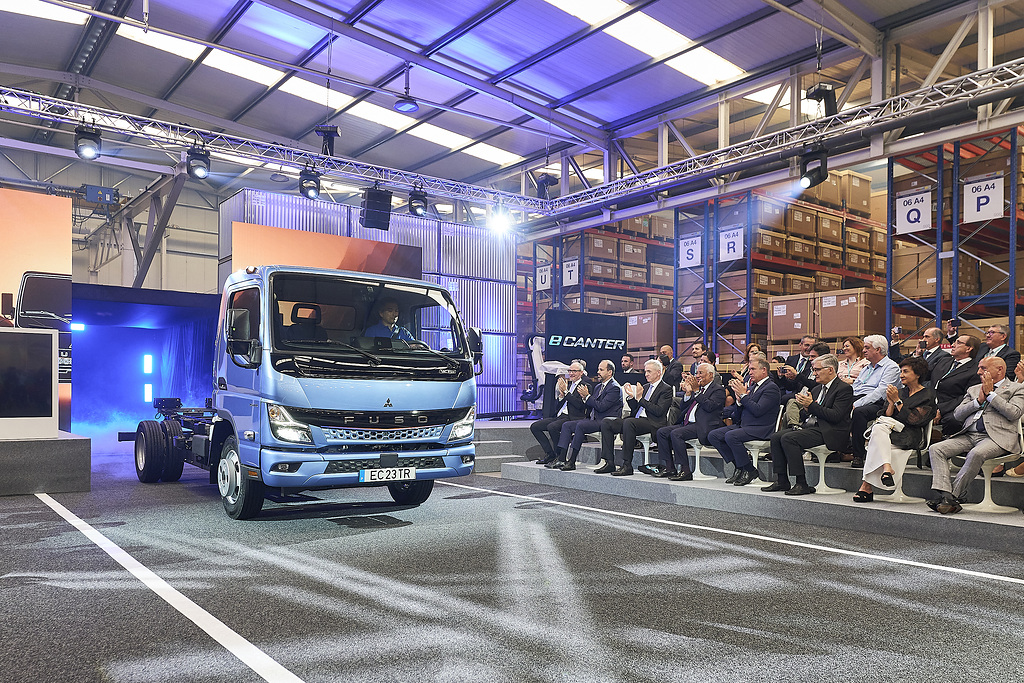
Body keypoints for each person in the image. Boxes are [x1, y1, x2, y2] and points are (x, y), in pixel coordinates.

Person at [926, 356, 1024, 514]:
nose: (978, 372)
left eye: (983, 368)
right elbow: (957, 414)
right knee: (936, 449)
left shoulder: (1016, 388)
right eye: (979, 368)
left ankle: (952, 496)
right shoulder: (973, 389)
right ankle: (946, 495)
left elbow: (1014, 413)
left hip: (996, 438)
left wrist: (991, 395)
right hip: (969, 435)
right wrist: (977, 402)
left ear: (1000, 369)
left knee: (976, 453)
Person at [762, 354, 854, 496]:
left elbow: (836, 416)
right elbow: (807, 415)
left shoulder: (843, 389)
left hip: (832, 431)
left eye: (817, 370)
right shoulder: (817, 389)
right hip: (813, 427)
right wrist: (806, 409)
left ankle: (801, 483)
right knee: (776, 437)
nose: (814, 373)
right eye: (813, 370)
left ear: (830, 370)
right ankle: (782, 480)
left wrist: (811, 406)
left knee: (789, 439)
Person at [853, 356, 936, 502]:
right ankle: (886, 469)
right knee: (879, 428)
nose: (901, 375)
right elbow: (885, 415)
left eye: (905, 371)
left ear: (917, 374)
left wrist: (897, 401)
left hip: (910, 434)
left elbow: (915, 420)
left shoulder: (927, 395)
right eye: (900, 371)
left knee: (876, 439)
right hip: (889, 431)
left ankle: (866, 486)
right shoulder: (900, 391)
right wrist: (891, 403)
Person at [708, 357, 782, 486]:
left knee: (731, 436)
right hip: (745, 425)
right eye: (749, 369)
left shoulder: (771, 388)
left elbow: (758, 410)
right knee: (713, 435)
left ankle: (750, 470)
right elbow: (739, 414)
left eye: (753, 369)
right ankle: (740, 466)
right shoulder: (753, 387)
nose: (750, 372)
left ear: (764, 370)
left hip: (761, 427)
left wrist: (743, 396)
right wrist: (738, 401)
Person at [596, 360, 673, 476]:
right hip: (637, 420)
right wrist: (632, 397)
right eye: (645, 371)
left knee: (629, 423)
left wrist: (640, 399)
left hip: (653, 422)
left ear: (658, 372)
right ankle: (609, 462)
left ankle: (627, 465)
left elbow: (659, 411)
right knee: (607, 422)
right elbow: (635, 409)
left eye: (649, 371)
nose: (646, 374)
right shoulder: (645, 387)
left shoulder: (666, 389)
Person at [651, 363, 725, 481]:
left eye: (700, 373)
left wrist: (696, 391)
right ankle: (669, 468)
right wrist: (688, 394)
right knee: (662, 432)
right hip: (687, 424)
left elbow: (710, 406)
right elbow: (683, 408)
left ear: (711, 375)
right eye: (697, 373)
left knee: (676, 434)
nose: (697, 376)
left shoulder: (718, 389)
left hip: (703, 425)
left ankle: (685, 471)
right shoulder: (698, 389)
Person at [553, 360, 623, 471]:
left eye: (601, 370)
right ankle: (561, 458)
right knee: (567, 425)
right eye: (598, 369)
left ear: (610, 372)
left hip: (606, 420)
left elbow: (602, 407)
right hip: (594, 419)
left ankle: (571, 461)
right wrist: (584, 398)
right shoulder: (598, 386)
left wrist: (587, 397)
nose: (598, 372)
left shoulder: (614, 387)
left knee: (581, 425)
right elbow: (591, 404)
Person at [848, 335, 902, 468]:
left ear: (878, 349)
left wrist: (856, 404)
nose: (863, 350)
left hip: (879, 403)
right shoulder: (866, 367)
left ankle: (858, 455)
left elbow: (881, 392)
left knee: (859, 412)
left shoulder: (891, 367)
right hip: (859, 397)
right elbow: (855, 387)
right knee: (834, 406)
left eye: (867, 348)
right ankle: (837, 449)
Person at [530, 361, 590, 465]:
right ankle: (550, 454)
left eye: (574, 371)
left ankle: (559, 456)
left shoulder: (585, 386)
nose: (571, 373)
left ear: (581, 372)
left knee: (552, 427)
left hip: (572, 417)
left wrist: (566, 392)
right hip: (560, 416)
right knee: (535, 427)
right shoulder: (569, 385)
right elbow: (559, 406)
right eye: (570, 371)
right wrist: (561, 396)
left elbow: (580, 405)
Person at [932, 335, 982, 436]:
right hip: (930, 403)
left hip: (952, 407)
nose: (953, 345)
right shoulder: (944, 360)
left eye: (958, 343)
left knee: (952, 421)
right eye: (954, 342)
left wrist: (941, 409)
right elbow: (924, 373)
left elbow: (966, 396)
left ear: (968, 348)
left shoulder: (975, 370)